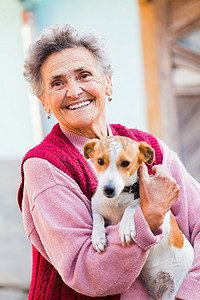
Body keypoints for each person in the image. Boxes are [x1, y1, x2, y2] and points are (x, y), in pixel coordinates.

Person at [18, 24, 200, 300]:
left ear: (108, 83)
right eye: (57, 83)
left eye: (85, 75)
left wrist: (187, 294)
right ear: (45, 103)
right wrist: (147, 217)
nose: (74, 90)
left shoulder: (148, 147)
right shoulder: (45, 166)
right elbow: (91, 274)